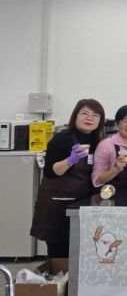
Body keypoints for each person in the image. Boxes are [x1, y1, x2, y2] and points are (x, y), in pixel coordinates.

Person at [30, 99, 105, 258]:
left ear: (100, 120)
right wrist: (70, 160)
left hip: (82, 202)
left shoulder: (96, 141)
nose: (89, 118)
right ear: (75, 115)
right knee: (60, 252)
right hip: (58, 203)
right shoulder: (61, 138)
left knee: (81, 251)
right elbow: (50, 172)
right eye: (85, 113)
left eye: (95, 115)